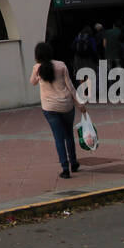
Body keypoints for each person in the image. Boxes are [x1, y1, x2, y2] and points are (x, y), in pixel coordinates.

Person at [30, 41, 87, 179]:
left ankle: (65, 168)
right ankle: (74, 162)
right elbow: (70, 86)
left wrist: (38, 73)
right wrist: (79, 103)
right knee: (69, 135)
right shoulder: (61, 65)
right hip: (66, 105)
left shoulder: (37, 68)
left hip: (50, 108)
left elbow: (32, 82)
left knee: (58, 138)